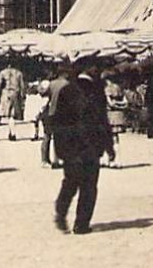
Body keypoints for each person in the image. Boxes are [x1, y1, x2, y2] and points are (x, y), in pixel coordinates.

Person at [49, 59, 115, 235]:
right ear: (90, 69)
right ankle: (81, 224)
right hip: (91, 145)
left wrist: (60, 149)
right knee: (89, 185)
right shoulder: (97, 91)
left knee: (71, 182)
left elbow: (57, 120)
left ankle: (61, 212)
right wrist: (109, 146)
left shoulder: (67, 89)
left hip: (71, 146)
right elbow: (103, 121)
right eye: (96, 67)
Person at [0, 58, 26, 140]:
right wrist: (23, 97)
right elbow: (22, 86)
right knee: (12, 115)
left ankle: (11, 132)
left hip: (5, 93)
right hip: (15, 93)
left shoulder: (3, 72)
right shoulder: (19, 73)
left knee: (8, 115)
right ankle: (12, 133)